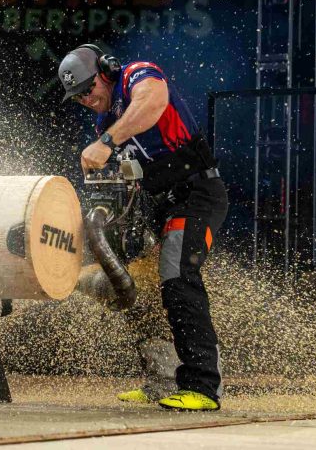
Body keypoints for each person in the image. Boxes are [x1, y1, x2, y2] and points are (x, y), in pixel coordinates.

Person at [58, 44, 228, 411]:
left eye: (89, 89)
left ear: (107, 71)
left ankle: (203, 387)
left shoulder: (137, 75)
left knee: (177, 277)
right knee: (138, 286)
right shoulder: (105, 122)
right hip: (157, 205)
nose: (86, 99)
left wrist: (106, 142)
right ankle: (161, 380)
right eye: (78, 96)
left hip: (196, 193)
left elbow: (154, 102)